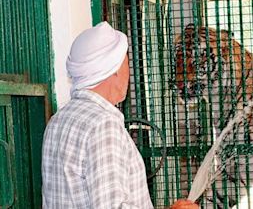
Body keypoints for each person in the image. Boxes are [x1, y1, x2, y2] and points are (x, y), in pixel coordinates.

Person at [41, 21, 198, 209]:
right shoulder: (102, 124)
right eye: (126, 62)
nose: (128, 71)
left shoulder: (58, 120)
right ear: (114, 69)